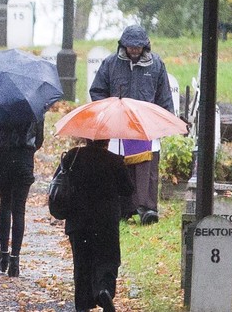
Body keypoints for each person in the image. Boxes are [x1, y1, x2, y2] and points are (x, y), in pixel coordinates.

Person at [88, 25, 174, 224]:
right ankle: (122, 208)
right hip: (119, 124)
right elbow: (97, 91)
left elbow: (164, 96)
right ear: (123, 45)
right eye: (130, 46)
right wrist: (109, 110)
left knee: (147, 170)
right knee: (119, 166)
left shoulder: (156, 65)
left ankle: (147, 208)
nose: (134, 50)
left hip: (145, 125)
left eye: (138, 47)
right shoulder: (110, 63)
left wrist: (163, 121)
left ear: (145, 46)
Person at [61, 139, 133, 312]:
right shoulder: (114, 160)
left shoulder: (73, 155)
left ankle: (82, 305)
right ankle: (103, 290)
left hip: (78, 221)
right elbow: (128, 189)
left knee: (81, 263)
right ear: (107, 140)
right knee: (107, 259)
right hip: (105, 222)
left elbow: (60, 180)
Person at [0, 116, 44, 277]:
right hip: (24, 159)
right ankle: (15, 260)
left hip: (3, 158)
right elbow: (39, 139)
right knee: (19, 210)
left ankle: (3, 256)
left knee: (5, 205)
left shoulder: (1, 108)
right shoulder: (34, 110)